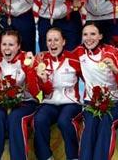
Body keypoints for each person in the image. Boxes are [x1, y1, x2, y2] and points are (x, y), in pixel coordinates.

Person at [72, 22, 118, 160]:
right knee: (90, 125)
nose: (89, 38)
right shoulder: (79, 53)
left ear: (100, 36)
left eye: (93, 34)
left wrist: (115, 69)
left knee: (105, 122)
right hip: (92, 102)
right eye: (85, 34)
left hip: (117, 101)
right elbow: (64, 59)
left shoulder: (112, 52)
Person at [0, 30, 39, 160]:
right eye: (4, 44)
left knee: (15, 118)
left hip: (26, 102)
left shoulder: (27, 60)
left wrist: (31, 69)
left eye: (11, 44)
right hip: (3, 102)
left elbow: (35, 91)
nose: (7, 48)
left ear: (19, 46)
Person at [33, 27, 82, 160]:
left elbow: (88, 79)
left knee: (64, 121)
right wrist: (42, 80)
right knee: (39, 119)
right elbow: (41, 90)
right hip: (50, 103)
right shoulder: (41, 60)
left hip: (70, 103)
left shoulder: (73, 59)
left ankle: (74, 157)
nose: (52, 43)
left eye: (56, 40)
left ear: (63, 42)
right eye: (49, 40)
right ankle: (46, 157)